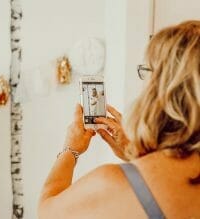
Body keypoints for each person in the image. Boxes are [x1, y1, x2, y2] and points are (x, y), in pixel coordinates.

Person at [38, 20, 200, 219]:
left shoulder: (116, 183)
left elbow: (47, 211)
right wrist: (138, 156)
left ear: (160, 88)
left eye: (147, 71)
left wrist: (70, 149)